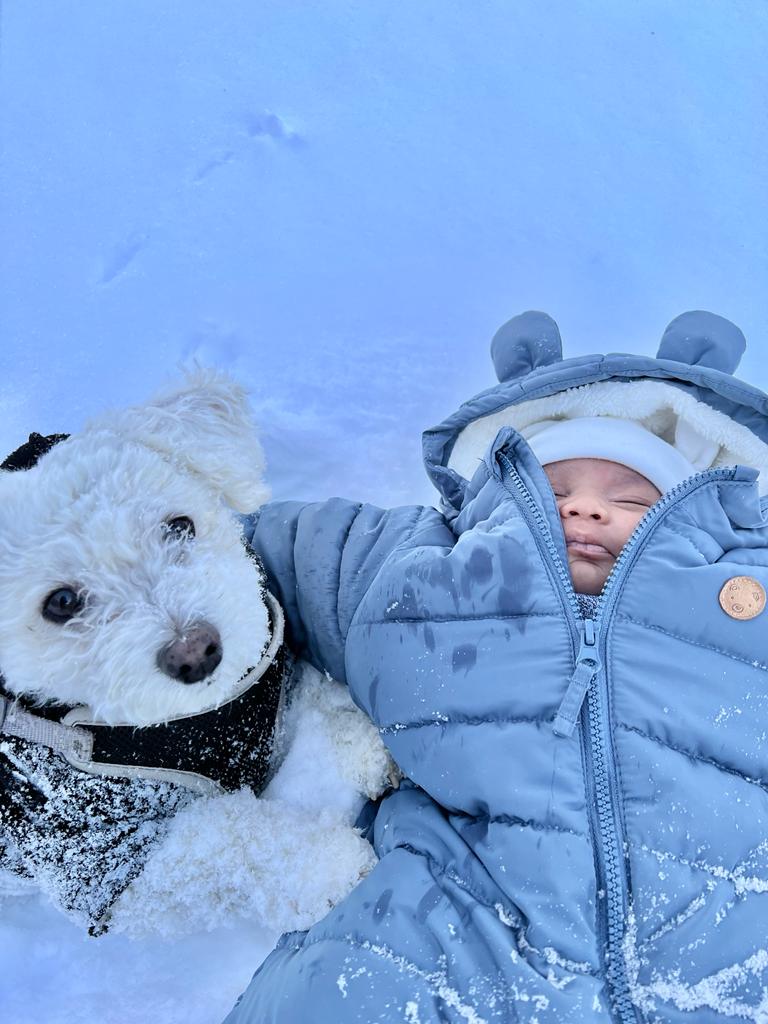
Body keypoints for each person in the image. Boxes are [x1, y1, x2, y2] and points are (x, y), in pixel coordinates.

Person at [225, 310, 768, 1024]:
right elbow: (261, 551)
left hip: (731, 922)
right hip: (461, 914)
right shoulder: (427, 563)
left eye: (630, 499)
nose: (586, 509)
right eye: (557, 492)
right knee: (347, 991)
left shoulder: (748, 586)